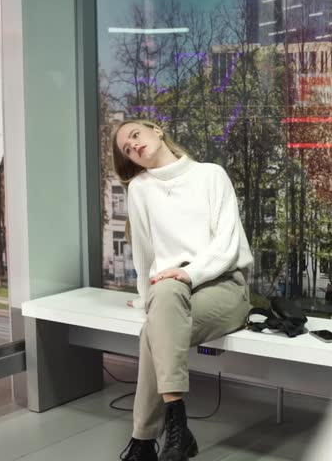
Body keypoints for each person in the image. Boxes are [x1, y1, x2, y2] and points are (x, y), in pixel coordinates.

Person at [112, 119, 254, 461]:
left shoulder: (210, 175)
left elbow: (227, 246)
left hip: (224, 286)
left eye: (136, 136)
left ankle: (144, 441)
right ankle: (175, 427)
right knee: (160, 305)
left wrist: (188, 275)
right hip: (169, 293)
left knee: (153, 331)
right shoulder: (139, 189)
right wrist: (149, 300)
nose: (134, 147)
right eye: (127, 150)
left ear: (157, 131)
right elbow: (145, 255)